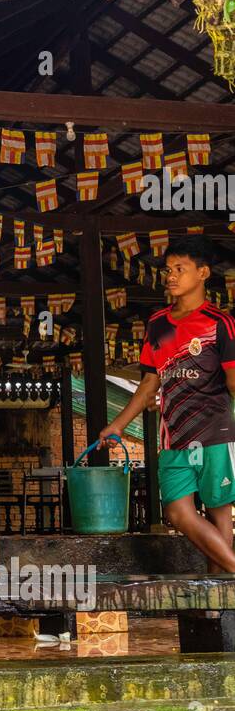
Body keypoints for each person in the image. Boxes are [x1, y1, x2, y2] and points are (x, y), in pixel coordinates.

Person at [100, 234, 235, 572]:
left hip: (216, 432)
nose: (171, 276)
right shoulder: (157, 324)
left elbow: (234, 382)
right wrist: (117, 423)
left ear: (203, 273)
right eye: (168, 270)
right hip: (172, 436)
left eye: (180, 268)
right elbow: (149, 383)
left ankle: (215, 610)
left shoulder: (220, 324)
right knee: (176, 512)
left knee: (220, 514)